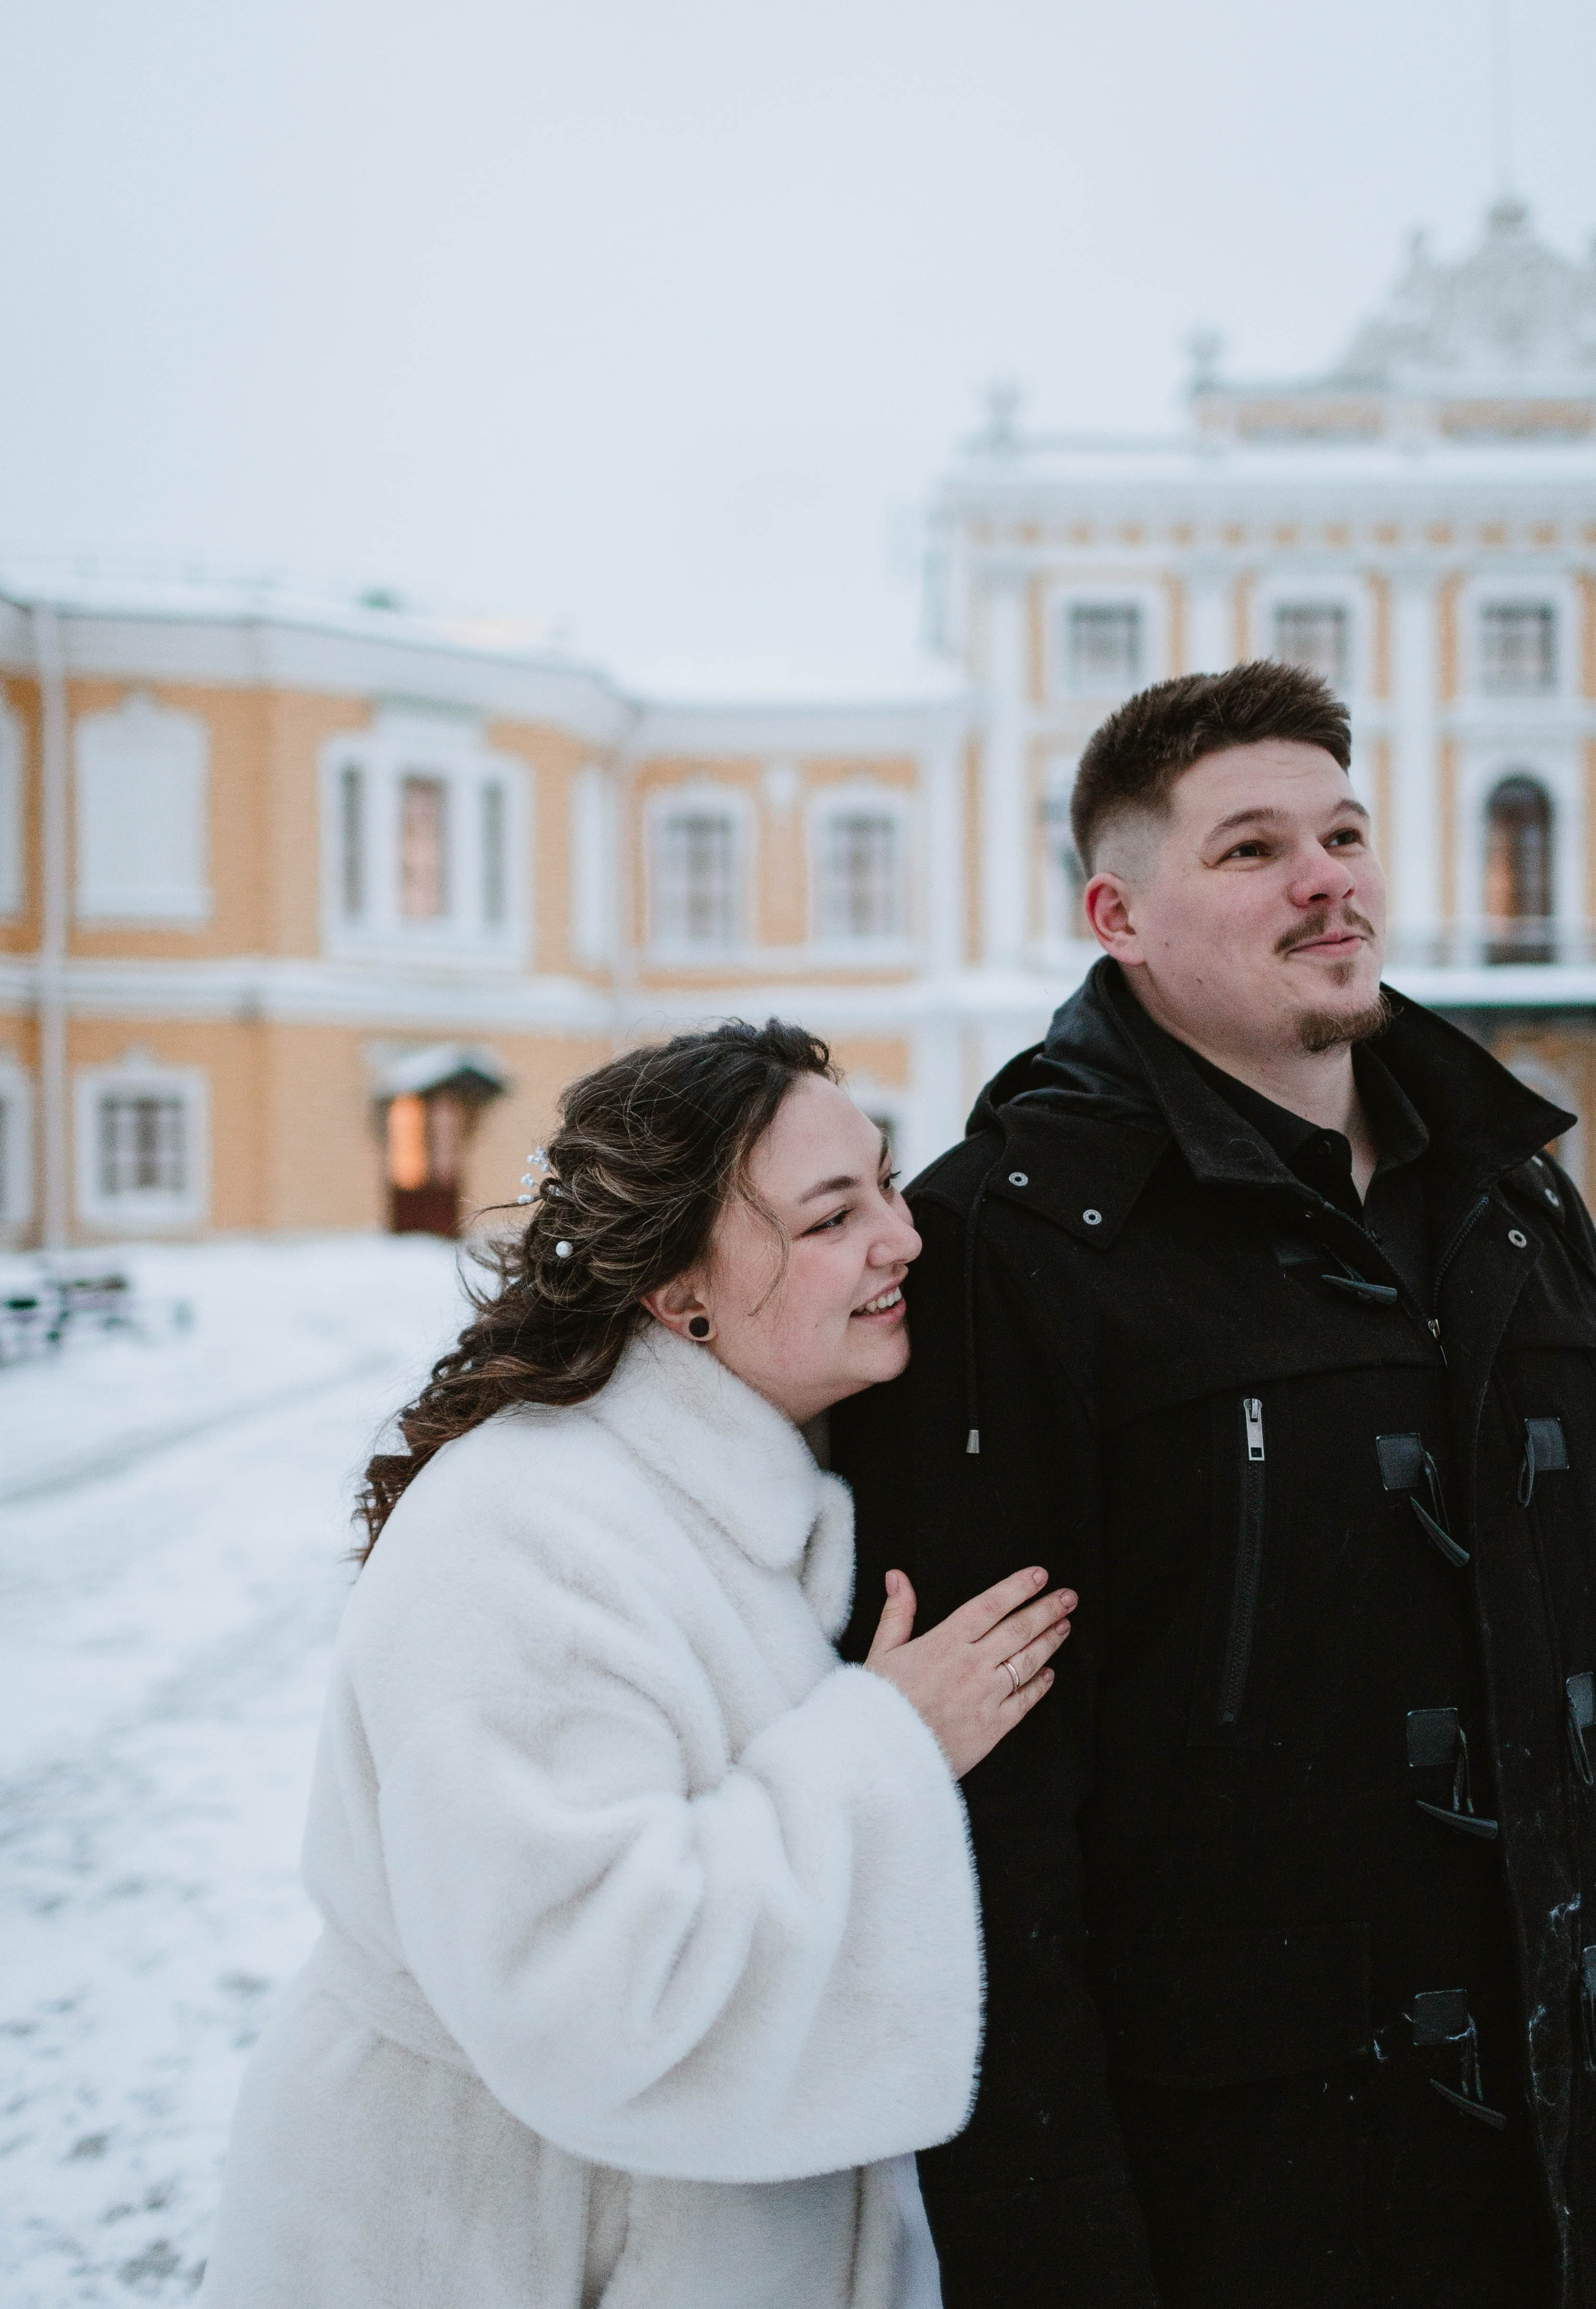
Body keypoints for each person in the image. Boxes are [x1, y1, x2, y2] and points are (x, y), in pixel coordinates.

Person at [834, 660, 1596, 2309]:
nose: (1329, 876)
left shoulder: (1518, 1201)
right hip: (1252, 2198)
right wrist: (1054, 2250)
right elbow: (986, 1821)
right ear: (1118, 913)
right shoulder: (1015, 1244)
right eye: (1253, 849)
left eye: (1344, 830)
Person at [200, 1020, 1075, 2309]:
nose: (901, 1237)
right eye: (831, 1216)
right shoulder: (525, 1537)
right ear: (681, 1293)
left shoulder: (752, 1484)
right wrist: (888, 1745)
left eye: (885, 1181)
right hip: (477, 2240)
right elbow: (587, 1982)